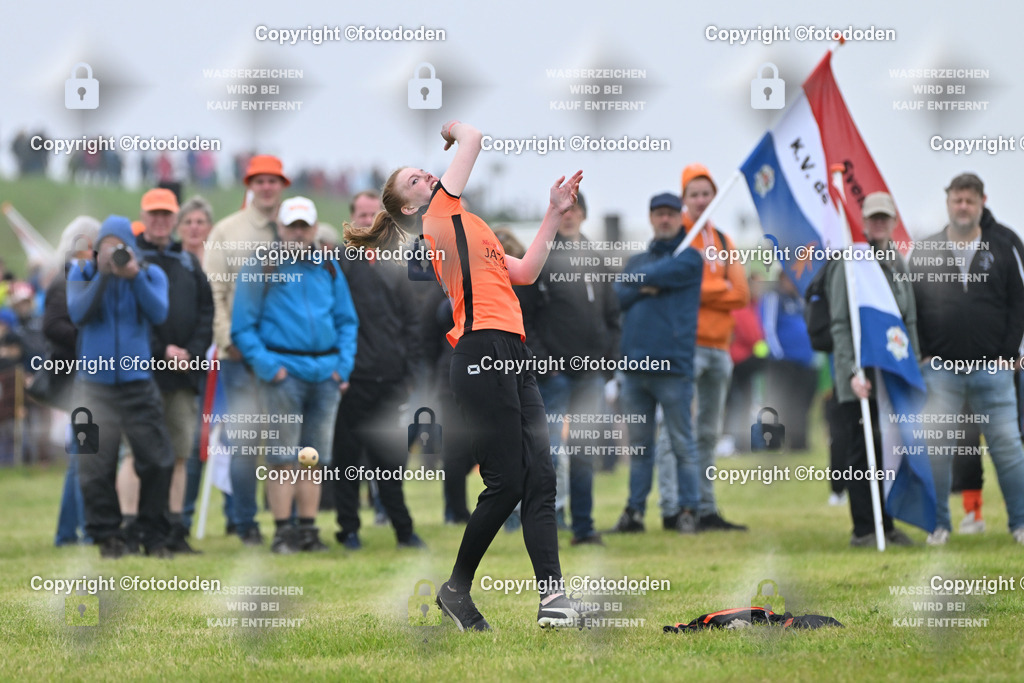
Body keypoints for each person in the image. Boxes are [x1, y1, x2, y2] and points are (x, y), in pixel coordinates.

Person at [346, 120, 583, 630]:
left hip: (513, 352)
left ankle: (553, 599)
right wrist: (451, 129)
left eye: (422, 172)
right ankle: (456, 589)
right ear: (409, 208)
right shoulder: (438, 215)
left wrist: (552, 212)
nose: (427, 176)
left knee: (540, 476)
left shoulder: (469, 224)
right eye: (414, 180)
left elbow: (525, 273)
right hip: (480, 353)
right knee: (507, 482)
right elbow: (473, 138)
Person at [232, 197, 358, 553]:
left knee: (312, 459)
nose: (299, 233)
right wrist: (271, 369)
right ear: (281, 228)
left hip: (326, 375)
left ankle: (308, 530)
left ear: (314, 228)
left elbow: (347, 321)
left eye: (305, 226)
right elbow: (242, 326)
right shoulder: (262, 265)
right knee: (281, 457)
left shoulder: (329, 266)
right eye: (292, 226)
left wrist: (342, 369)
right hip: (283, 374)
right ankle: (282, 532)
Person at [909, 173, 1024, 545]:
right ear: (948, 202)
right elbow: (912, 306)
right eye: (957, 200)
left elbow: (1018, 304)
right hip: (940, 370)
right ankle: (939, 525)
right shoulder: (925, 251)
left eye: (969, 201)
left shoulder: (1002, 247)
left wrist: (1008, 355)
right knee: (938, 450)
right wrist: (922, 353)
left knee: (1008, 448)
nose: (963, 207)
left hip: (992, 369)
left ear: (981, 204)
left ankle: (1021, 524)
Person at [67, 216, 174, 558]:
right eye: (107, 245)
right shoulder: (82, 273)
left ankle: (153, 534)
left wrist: (133, 276)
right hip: (93, 388)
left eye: (120, 246)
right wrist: (102, 275)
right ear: (97, 248)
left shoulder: (151, 274)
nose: (113, 252)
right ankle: (107, 536)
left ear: (132, 248)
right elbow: (78, 314)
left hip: (137, 384)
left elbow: (159, 313)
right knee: (94, 468)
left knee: (157, 461)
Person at [520, 193, 620, 545]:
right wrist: (543, 362)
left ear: (583, 215)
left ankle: (584, 528)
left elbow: (612, 316)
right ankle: (541, 526)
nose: (569, 214)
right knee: (547, 455)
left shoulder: (598, 259)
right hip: (554, 377)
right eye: (563, 209)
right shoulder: (540, 258)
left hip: (590, 376)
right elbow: (524, 317)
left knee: (583, 455)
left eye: (574, 208)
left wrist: (607, 361)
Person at [332, 193, 427, 550]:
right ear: (351, 219)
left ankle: (403, 531)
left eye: (374, 214)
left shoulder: (398, 265)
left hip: (391, 382)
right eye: (362, 214)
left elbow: (413, 324)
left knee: (390, 463)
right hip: (351, 381)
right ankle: (349, 530)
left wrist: (410, 375)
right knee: (346, 459)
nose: (368, 220)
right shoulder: (338, 264)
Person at [204, 155, 289, 546]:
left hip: (285, 355)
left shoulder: (295, 228)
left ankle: (287, 522)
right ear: (250, 186)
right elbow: (215, 292)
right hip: (240, 358)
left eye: (273, 181)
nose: (267, 187)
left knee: (285, 443)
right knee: (244, 444)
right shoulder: (227, 231)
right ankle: (245, 523)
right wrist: (228, 340)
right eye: (260, 181)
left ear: (282, 186)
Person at [612, 193, 704, 535]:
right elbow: (616, 296)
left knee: (682, 444)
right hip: (634, 369)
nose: (665, 220)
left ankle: (688, 510)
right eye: (659, 214)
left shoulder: (690, 259)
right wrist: (648, 283)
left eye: (670, 214)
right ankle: (634, 513)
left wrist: (640, 282)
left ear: (680, 218)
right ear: (651, 218)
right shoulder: (637, 261)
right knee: (640, 448)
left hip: (673, 368)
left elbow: (638, 282)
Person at [827, 192, 915, 548]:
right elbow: (839, 324)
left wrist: (915, 366)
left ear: (893, 222)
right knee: (862, 452)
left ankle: (887, 524)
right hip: (859, 378)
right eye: (873, 217)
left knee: (889, 449)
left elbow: (908, 319)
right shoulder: (848, 260)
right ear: (862, 221)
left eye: (884, 217)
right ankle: (864, 529)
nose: (878, 223)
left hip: (891, 376)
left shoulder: (897, 261)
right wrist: (852, 371)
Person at [132, 188, 214, 553]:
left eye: (167, 215)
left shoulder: (188, 263)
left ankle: (174, 528)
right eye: (155, 214)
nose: (161, 221)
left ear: (174, 220)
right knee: (138, 455)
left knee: (179, 453)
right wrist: (161, 350)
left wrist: (191, 353)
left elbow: (206, 312)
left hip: (182, 375)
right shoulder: (132, 260)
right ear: (144, 217)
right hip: (143, 374)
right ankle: (132, 528)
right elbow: (132, 316)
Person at [675, 163, 750, 531]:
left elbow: (742, 293)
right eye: (695, 194)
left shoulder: (722, 239)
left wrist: (703, 289)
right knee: (676, 430)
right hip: (687, 346)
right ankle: (676, 507)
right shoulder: (678, 237)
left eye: (707, 193)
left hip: (721, 348)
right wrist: (719, 288)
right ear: (684, 198)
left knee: (708, 432)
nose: (702, 200)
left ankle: (706, 506)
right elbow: (678, 287)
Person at [47, 217, 100, 545]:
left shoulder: (83, 277)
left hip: (84, 376)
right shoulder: (66, 278)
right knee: (86, 453)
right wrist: (91, 340)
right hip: (77, 377)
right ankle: (85, 530)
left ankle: (68, 532)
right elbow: (51, 325)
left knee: (82, 453)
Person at [759, 272, 818, 451]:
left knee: (801, 403)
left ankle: (798, 442)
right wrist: (779, 354)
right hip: (783, 361)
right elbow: (768, 327)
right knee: (778, 401)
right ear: (783, 278)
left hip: (804, 361)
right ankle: (772, 444)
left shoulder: (800, 299)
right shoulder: (774, 297)